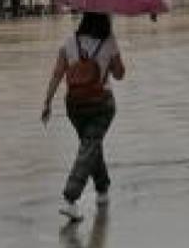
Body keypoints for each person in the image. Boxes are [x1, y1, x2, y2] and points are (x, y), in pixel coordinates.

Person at [41, 11, 126, 222]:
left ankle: (102, 189)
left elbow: (57, 74)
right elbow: (120, 74)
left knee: (90, 145)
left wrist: (47, 102)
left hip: (75, 105)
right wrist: (112, 52)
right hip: (101, 105)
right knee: (90, 146)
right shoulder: (109, 41)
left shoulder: (70, 42)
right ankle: (70, 198)